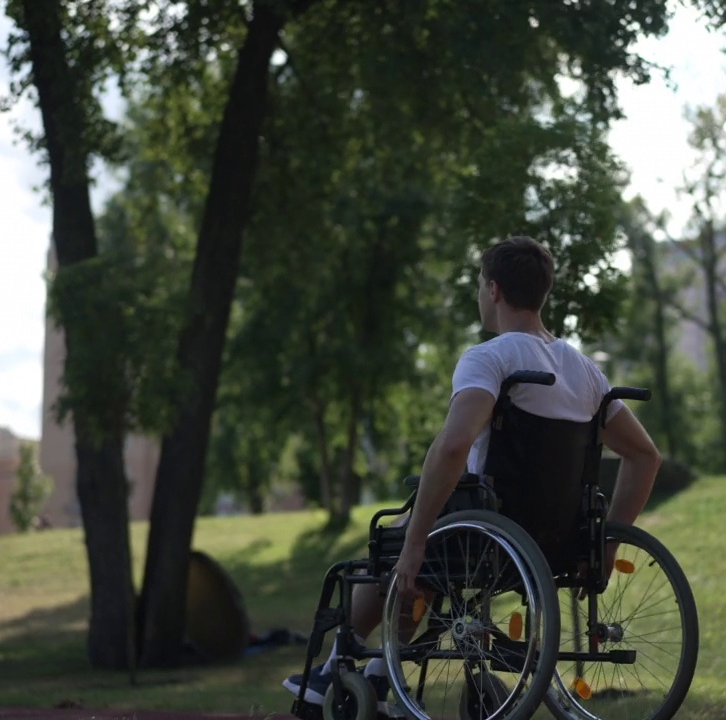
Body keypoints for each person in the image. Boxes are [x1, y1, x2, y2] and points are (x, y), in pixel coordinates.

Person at [283, 236, 663, 712]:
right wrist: (606, 543)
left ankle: (336, 664)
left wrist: (416, 540)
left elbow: (454, 446)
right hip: (557, 544)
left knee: (396, 543)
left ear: (494, 290)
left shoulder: (491, 358)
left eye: (481, 286)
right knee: (429, 542)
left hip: (485, 533)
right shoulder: (586, 373)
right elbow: (645, 456)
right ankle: (381, 672)